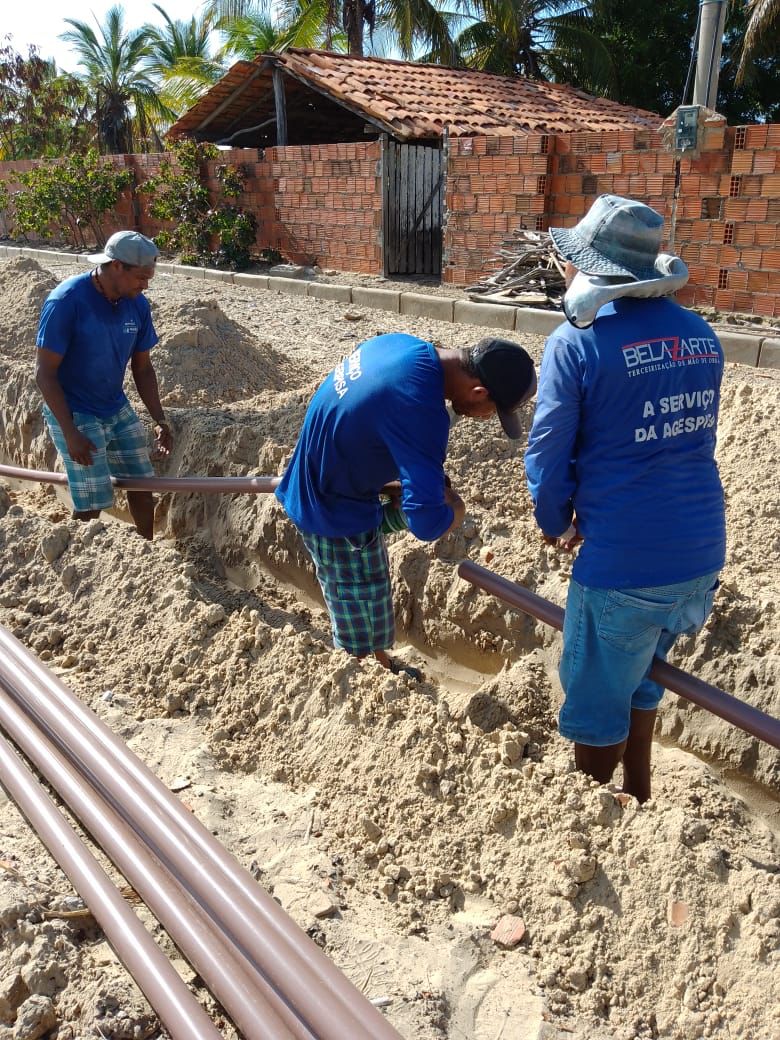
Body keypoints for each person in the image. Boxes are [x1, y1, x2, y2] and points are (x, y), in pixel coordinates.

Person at [525, 195, 725, 802]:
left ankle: (593, 822)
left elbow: (548, 452)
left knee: (596, 707)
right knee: (641, 681)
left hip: (624, 566)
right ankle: (638, 792)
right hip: (699, 556)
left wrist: (555, 522)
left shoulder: (577, 341)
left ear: (588, 266)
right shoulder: (702, 336)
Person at [276, 333, 536, 675]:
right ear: (478, 392)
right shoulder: (421, 410)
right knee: (358, 595)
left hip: (323, 476)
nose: (486, 418)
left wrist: (393, 484)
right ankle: (360, 677)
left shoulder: (403, 347)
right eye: (492, 411)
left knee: (373, 591)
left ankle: (379, 663)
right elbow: (425, 523)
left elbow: (361, 419)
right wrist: (455, 511)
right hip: (330, 508)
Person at [35, 230, 172, 540]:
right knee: (92, 497)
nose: (145, 285)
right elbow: (44, 374)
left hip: (113, 403)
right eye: (140, 277)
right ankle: (82, 551)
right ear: (116, 266)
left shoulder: (136, 305)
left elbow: (143, 368)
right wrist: (70, 432)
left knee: (141, 482)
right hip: (74, 409)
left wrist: (159, 419)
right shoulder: (66, 301)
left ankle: (145, 548)